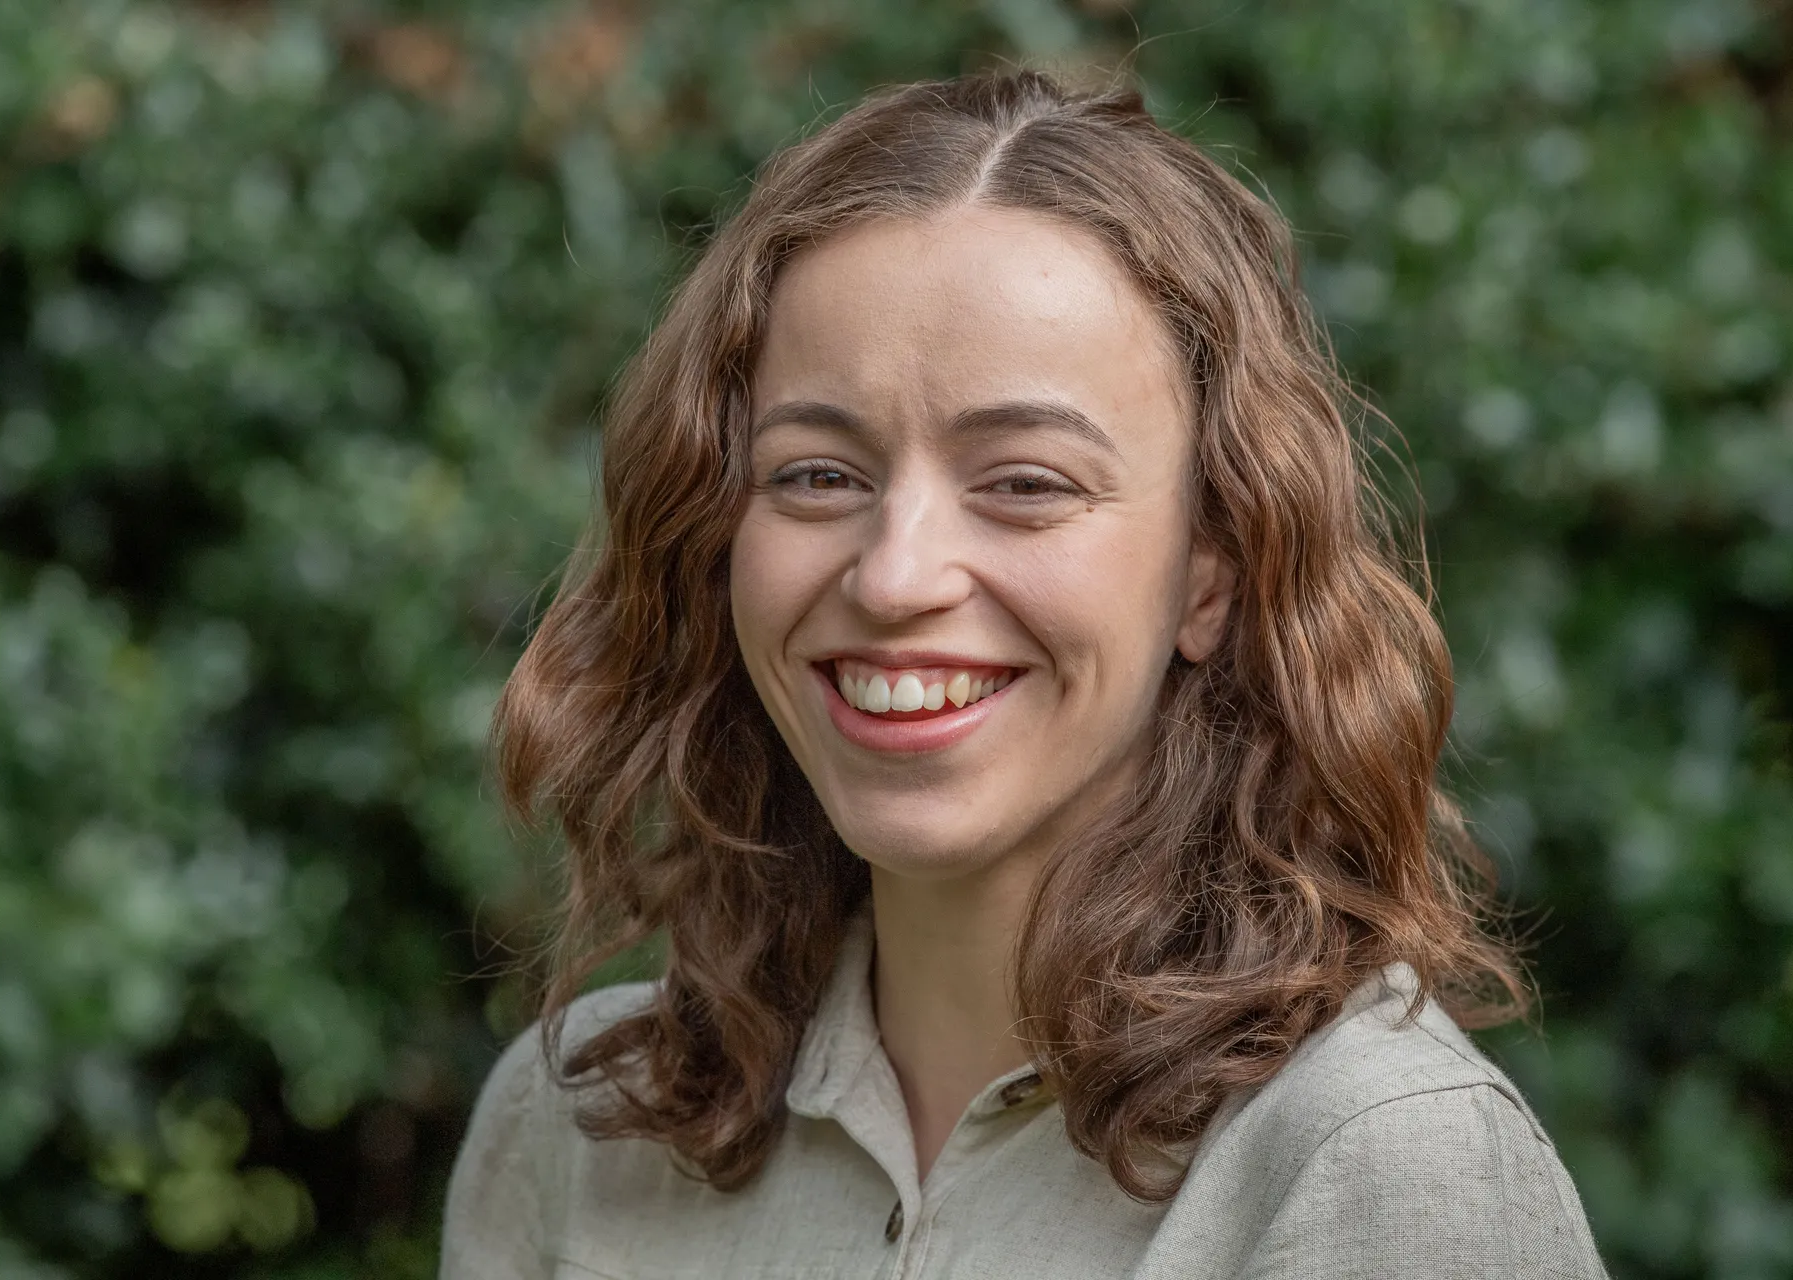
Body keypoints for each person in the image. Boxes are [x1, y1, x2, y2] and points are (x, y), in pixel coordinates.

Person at [440, 70, 1608, 1279]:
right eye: (816, 475)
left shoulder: (1377, 1163)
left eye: (1026, 481)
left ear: (1212, 568)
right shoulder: (578, 1121)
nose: (894, 576)